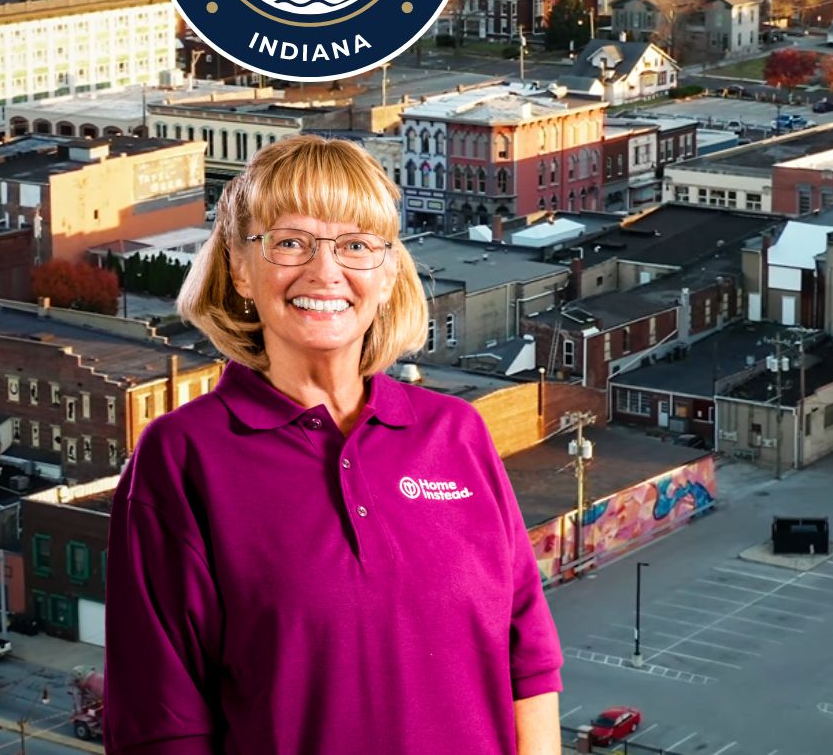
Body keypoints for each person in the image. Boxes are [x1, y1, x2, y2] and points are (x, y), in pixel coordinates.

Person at [104, 135, 562, 755]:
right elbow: (163, 724)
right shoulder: (184, 457)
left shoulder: (455, 433)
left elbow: (527, 661)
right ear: (240, 267)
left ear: (388, 271)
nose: (325, 272)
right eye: (290, 242)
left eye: (355, 245)